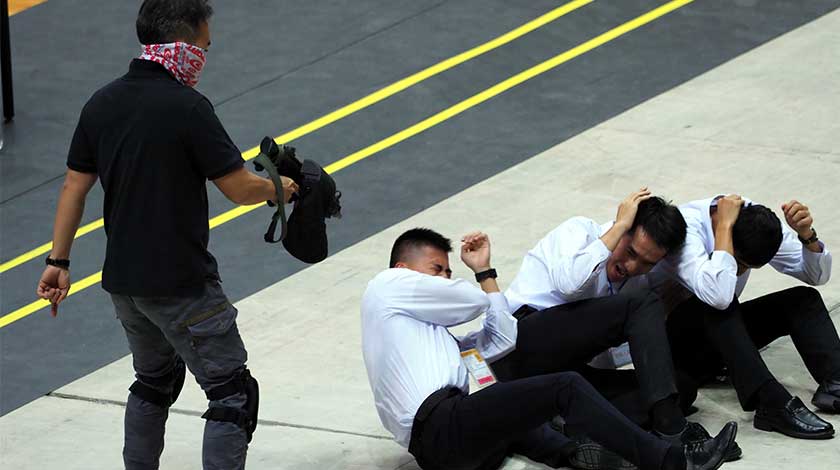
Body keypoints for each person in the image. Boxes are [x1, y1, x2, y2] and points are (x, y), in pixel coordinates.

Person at [35, 1, 296, 468]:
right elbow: (239, 188)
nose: (204, 56)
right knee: (232, 394)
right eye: (204, 46)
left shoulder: (102, 102)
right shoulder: (188, 107)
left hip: (125, 286)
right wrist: (282, 188)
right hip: (181, 284)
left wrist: (58, 262)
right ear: (186, 41)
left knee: (154, 381)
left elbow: (74, 185)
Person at [361, 228, 737, 470]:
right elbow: (468, 300)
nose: (446, 277)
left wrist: (485, 273)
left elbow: (502, 339)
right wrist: (469, 284)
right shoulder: (386, 285)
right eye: (437, 269)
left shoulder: (427, 334)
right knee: (564, 385)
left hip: (453, 445)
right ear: (402, 268)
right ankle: (671, 462)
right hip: (440, 426)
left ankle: (584, 453)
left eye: (447, 271)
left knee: (527, 417)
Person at [495, 189, 740, 465]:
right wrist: (620, 225)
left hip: (562, 376)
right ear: (622, 228)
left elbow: (603, 353)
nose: (631, 266)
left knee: (681, 387)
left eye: (647, 263)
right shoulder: (579, 232)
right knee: (643, 304)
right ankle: (672, 430)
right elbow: (569, 285)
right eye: (631, 251)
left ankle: (564, 430)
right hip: (518, 350)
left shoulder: (634, 284)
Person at [653, 194, 837, 439]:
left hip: (722, 338)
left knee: (803, 299)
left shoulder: (752, 221)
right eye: (739, 262)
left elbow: (816, 276)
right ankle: (771, 402)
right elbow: (718, 296)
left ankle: (836, 380)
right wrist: (724, 230)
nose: (740, 271)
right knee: (718, 298)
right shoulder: (687, 229)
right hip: (670, 348)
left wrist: (806, 235)